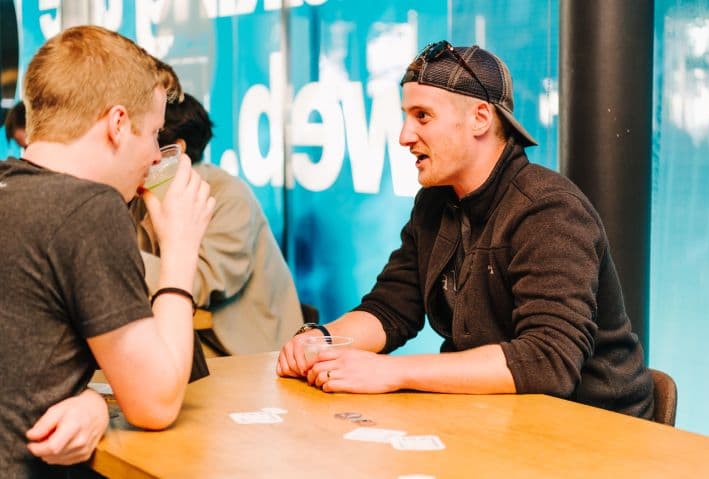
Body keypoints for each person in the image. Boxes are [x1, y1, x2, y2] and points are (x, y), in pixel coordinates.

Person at [277, 41, 654, 419]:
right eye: (406, 116)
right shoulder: (435, 202)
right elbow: (391, 308)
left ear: (480, 118)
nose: (404, 136)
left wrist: (391, 371)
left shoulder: (548, 208)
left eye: (422, 116)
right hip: (495, 420)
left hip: (593, 431)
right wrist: (322, 340)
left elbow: (547, 361)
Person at [0, 25, 214, 477]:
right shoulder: (88, 209)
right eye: (154, 133)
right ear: (118, 124)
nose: (157, 157)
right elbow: (154, 402)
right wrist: (179, 248)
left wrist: (93, 403)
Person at [131, 93, 303, 355]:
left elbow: (197, 281)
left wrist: (110, 256)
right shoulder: (147, 193)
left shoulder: (229, 197)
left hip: (248, 358)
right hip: (192, 344)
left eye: (149, 135)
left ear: (176, 148)